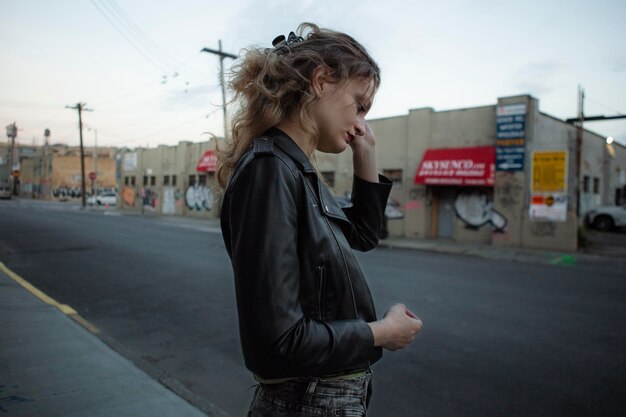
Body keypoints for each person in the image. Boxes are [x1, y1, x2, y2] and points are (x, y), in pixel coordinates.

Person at [218, 23, 422, 416]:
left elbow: (361, 234)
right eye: (360, 105)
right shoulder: (271, 170)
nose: (362, 122)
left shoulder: (296, 170)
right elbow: (278, 343)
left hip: (318, 398)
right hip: (307, 401)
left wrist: (367, 152)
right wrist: (383, 333)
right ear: (322, 81)